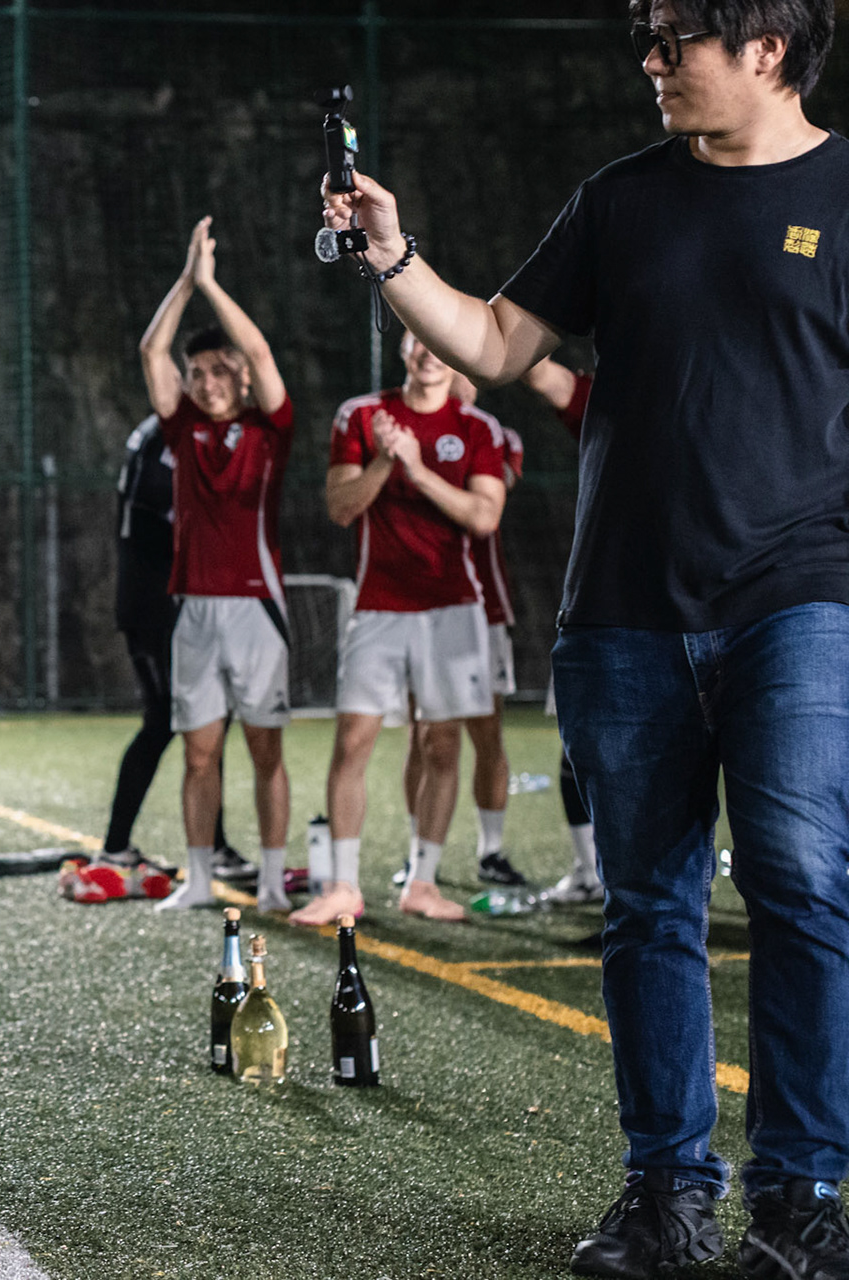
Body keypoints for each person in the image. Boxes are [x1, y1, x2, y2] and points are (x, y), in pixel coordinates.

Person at [322, 1, 849, 1272]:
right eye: (649, 39)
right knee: (647, 906)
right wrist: (394, 256)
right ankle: (667, 1195)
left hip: (802, 594)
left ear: (767, 47)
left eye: (678, 40)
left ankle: (802, 1198)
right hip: (621, 610)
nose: (652, 62)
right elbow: (500, 342)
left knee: (800, 873)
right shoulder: (618, 198)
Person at [290, 333, 506, 928]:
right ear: (405, 348)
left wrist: (417, 467)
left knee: (441, 744)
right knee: (353, 742)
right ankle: (342, 887)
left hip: (452, 607)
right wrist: (387, 460)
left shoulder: (478, 428)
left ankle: (423, 882)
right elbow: (340, 506)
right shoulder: (361, 416)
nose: (432, 352)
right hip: (378, 607)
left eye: (443, 343)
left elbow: (484, 516)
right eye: (420, 341)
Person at [134, 215, 292, 913]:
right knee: (199, 753)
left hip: (257, 610)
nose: (206, 380)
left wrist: (213, 286)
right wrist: (185, 280)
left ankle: (271, 882)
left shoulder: (271, 428)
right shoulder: (184, 427)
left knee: (264, 752)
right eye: (196, 373)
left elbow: (256, 348)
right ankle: (198, 882)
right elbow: (152, 349)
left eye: (219, 370)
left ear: (244, 380)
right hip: (193, 609)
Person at [393, 378, 529, 891]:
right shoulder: (396, 434)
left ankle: (491, 851)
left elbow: (492, 497)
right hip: (414, 604)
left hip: (482, 607)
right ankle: (418, 854)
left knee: (486, 730)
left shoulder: (493, 435)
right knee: (423, 736)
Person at [98, 413, 234, 876]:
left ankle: (214, 846)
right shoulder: (164, 436)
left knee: (211, 723)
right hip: (155, 607)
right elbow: (145, 522)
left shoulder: (182, 434)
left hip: (183, 605)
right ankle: (116, 846)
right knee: (162, 721)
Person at [520, 358, 603, 906]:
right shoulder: (612, 399)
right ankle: (590, 870)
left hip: (723, 604)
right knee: (578, 747)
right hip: (611, 604)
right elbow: (539, 372)